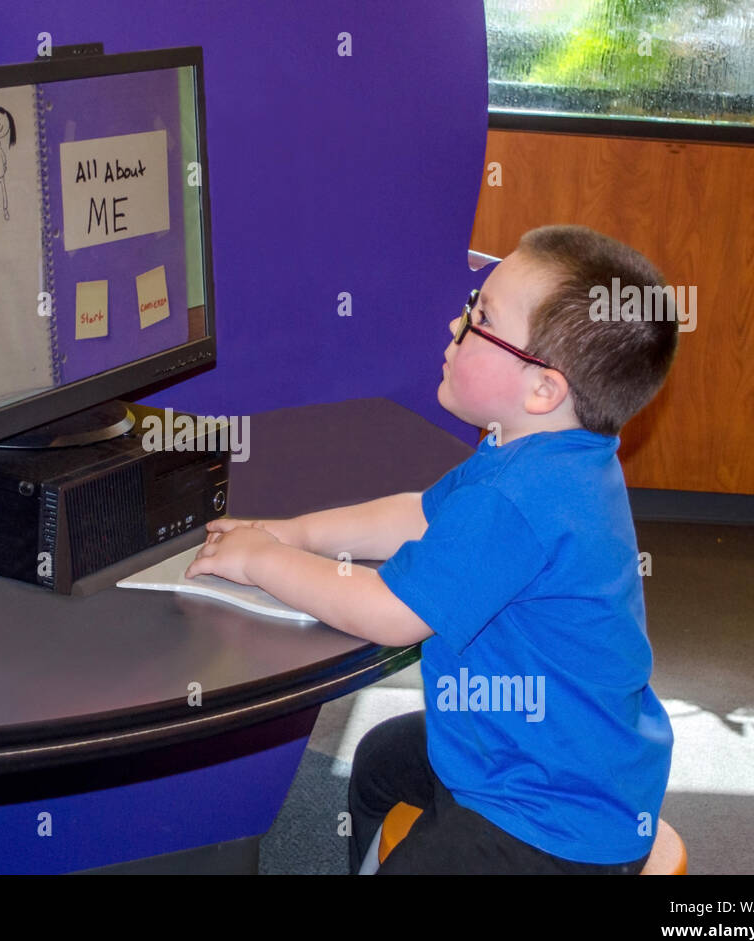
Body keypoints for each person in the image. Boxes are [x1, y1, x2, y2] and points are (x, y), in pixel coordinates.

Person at [185, 224, 678, 873]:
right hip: (547, 755)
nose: (456, 322)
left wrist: (260, 561)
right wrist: (292, 532)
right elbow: (418, 515)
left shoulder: (520, 496)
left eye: (480, 317)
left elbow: (391, 611)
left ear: (543, 389)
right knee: (379, 764)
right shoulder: (535, 452)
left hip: (548, 820)